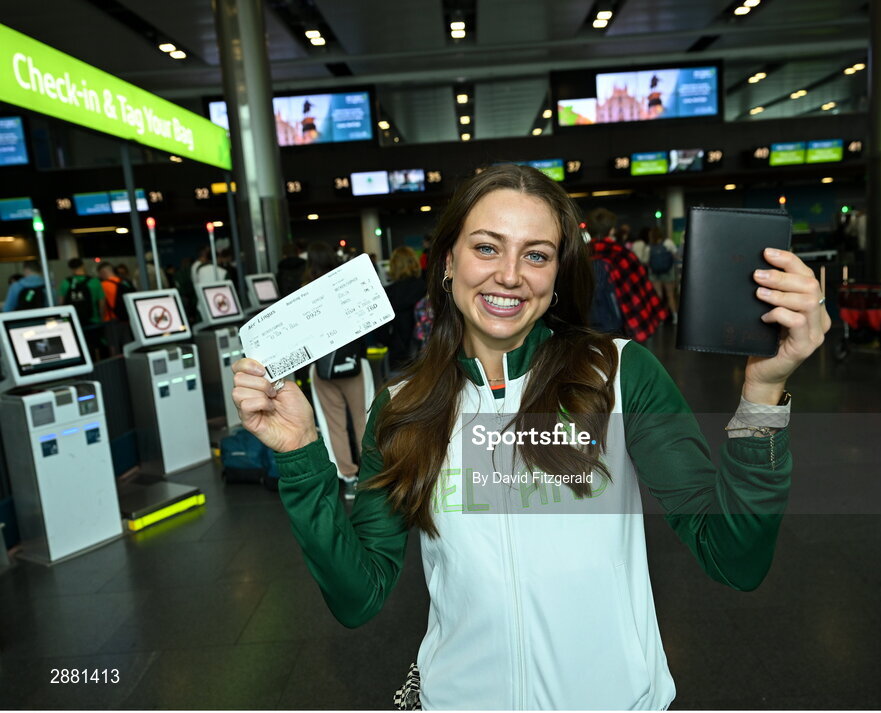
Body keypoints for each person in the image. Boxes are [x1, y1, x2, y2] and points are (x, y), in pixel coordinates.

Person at [231, 164, 829, 710]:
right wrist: (303, 454)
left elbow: (734, 557)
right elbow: (358, 596)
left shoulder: (619, 373)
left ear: (559, 272)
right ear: (447, 261)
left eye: (536, 255)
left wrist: (763, 396)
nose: (509, 275)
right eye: (487, 247)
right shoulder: (401, 406)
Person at [305, 241, 367, 497]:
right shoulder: (346, 285)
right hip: (354, 363)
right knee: (365, 419)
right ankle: (374, 475)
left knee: (335, 425)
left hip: (322, 368)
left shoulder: (305, 292)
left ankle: (349, 477)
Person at [587, 207, 666, 342]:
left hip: (585, 329)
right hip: (620, 330)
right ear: (611, 230)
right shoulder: (623, 254)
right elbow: (639, 291)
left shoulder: (578, 255)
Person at [375, 246, 427, 372]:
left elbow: (381, 334)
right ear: (414, 263)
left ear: (393, 266)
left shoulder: (387, 294)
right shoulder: (426, 288)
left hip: (397, 358)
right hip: (425, 356)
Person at [59, 258, 106, 357]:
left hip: (74, 322)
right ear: (82, 265)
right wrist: (101, 318)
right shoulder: (94, 282)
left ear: (70, 268)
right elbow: (102, 302)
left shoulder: (66, 282)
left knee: (78, 347)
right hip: (92, 320)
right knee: (95, 346)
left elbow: (61, 303)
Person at [644, 226, 679, 324]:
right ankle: (675, 316)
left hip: (655, 273)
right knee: (670, 295)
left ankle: (660, 318)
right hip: (668, 272)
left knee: (658, 296)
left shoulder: (649, 247)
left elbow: (646, 261)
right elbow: (675, 255)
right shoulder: (668, 243)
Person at [98, 261, 133, 355]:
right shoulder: (124, 282)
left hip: (111, 319)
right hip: (126, 318)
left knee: (114, 346)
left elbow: (102, 304)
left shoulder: (103, 285)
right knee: (128, 343)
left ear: (103, 272)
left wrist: (101, 318)